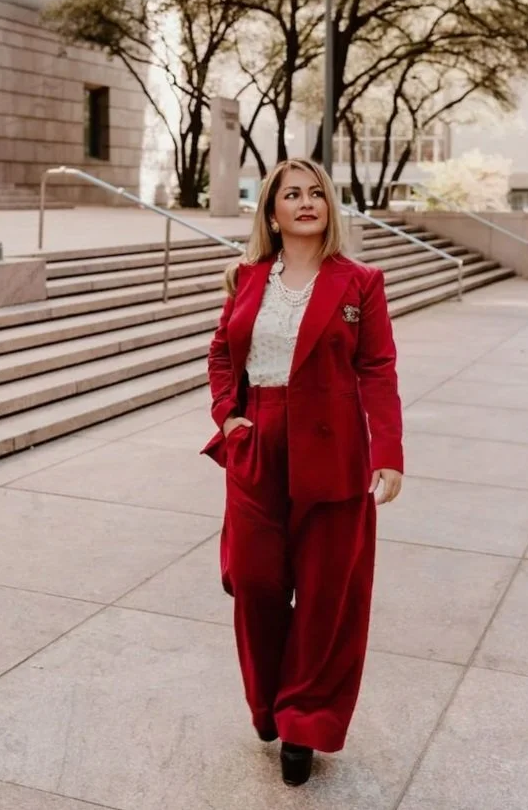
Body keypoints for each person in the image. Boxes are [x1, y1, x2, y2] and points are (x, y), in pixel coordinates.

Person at [200, 157, 403, 787]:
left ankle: (304, 722)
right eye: (292, 194)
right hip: (258, 442)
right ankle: (268, 702)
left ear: (329, 207)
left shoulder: (360, 281)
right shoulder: (245, 275)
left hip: (334, 449)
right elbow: (219, 352)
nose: (307, 202)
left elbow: (377, 368)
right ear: (272, 211)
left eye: (317, 192)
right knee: (256, 582)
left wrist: (387, 452)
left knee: (325, 594)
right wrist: (228, 416)